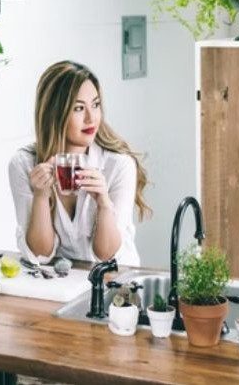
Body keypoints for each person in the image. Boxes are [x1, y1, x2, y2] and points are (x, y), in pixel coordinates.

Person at [8, 61, 150, 266]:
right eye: (78, 108)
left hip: (117, 282)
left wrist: (103, 202)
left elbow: (106, 255)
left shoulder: (119, 165)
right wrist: (40, 196)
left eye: (96, 105)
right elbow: (40, 254)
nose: (91, 117)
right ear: (54, 113)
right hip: (65, 284)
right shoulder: (24, 164)